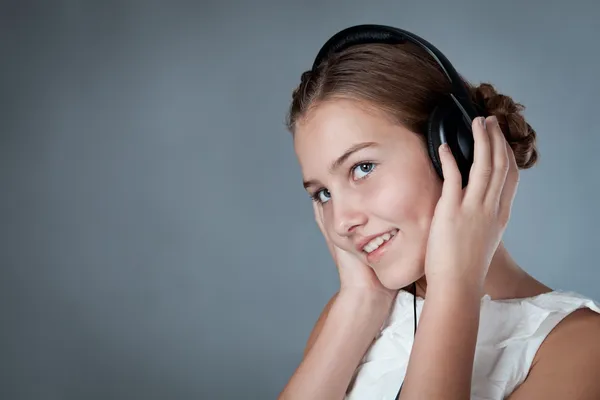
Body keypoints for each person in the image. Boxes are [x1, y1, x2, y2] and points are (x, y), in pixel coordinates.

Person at [278, 25, 600, 400]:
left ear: (456, 149)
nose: (342, 221)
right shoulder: (352, 317)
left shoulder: (580, 348)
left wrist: (454, 285)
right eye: (323, 193)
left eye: (362, 168)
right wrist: (358, 303)